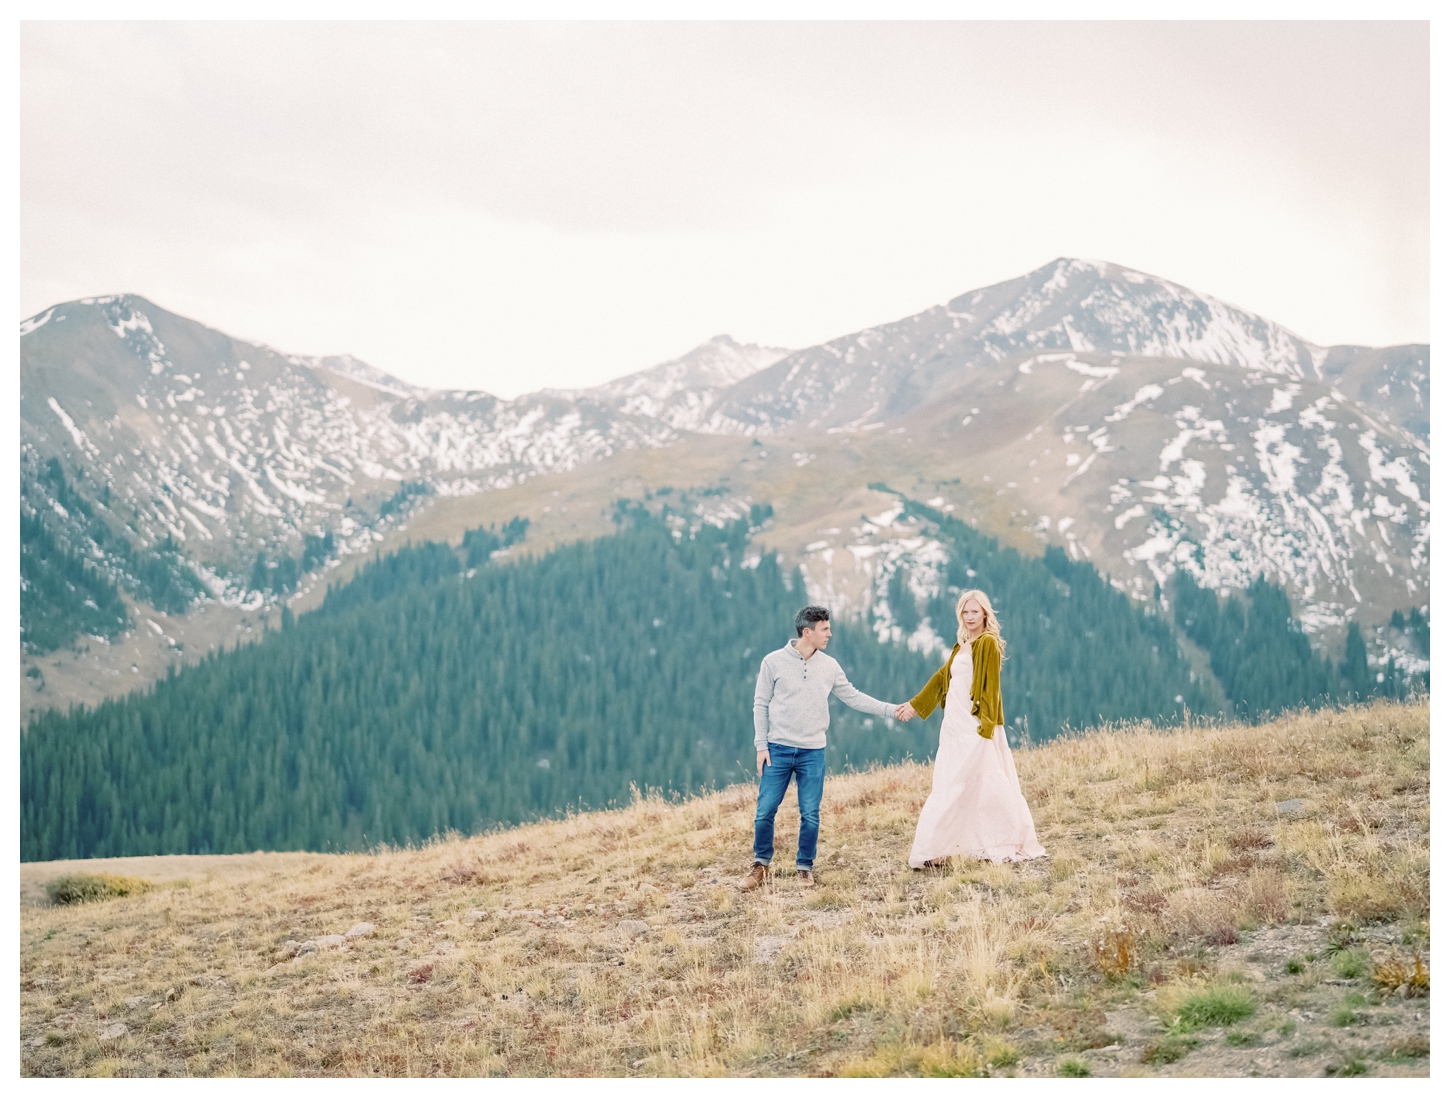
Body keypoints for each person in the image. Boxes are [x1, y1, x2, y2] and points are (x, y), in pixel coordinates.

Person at [739, 605, 904, 891]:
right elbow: (760, 703)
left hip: (812, 751)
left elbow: (853, 697)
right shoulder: (773, 662)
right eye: (824, 629)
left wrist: (892, 710)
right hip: (777, 749)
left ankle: (805, 867)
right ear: (808, 632)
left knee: (810, 813)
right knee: (765, 810)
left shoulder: (829, 666)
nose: (830, 633)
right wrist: (761, 745)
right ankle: (760, 866)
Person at [893, 589, 1046, 867]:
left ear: (985, 613)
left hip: (974, 723)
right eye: (965, 612)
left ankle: (1000, 840)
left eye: (975, 611)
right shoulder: (964, 644)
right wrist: (915, 705)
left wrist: (986, 726)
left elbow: (990, 686)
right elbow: (943, 677)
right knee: (953, 781)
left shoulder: (986, 642)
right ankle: (949, 846)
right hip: (954, 723)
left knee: (983, 781)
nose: (970, 616)